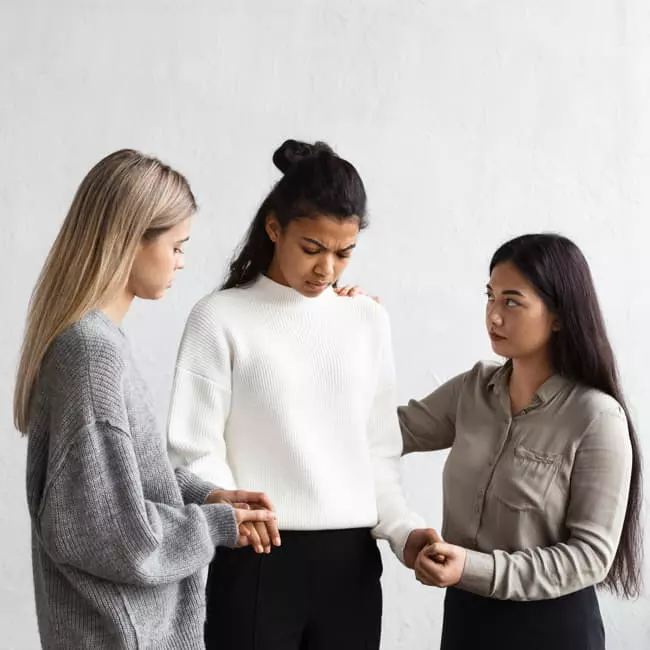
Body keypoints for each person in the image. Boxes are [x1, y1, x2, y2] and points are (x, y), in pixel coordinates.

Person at [167, 139, 437, 650]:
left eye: (344, 253)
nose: (328, 269)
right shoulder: (219, 317)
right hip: (256, 562)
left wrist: (407, 534)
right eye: (312, 248)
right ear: (274, 228)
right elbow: (194, 451)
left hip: (352, 570)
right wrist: (236, 515)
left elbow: (378, 453)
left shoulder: (367, 320)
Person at [14, 149, 276, 650]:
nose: (182, 260)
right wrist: (216, 525)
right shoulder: (91, 354)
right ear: (131, 239)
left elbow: (117, 486)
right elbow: (114, 534)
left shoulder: (94, 343)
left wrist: (206, 495)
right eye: (177, 245)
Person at [398, 234, 643, 650]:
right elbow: (383, 435)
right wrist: (343, 320)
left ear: (560, 316)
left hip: (551, 629)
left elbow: (590, 557)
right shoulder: (472, 390)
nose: (493, 316)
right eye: (490, 297)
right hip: (466, 620)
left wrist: (473, 568)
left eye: (512, 301)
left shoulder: (596, 417)